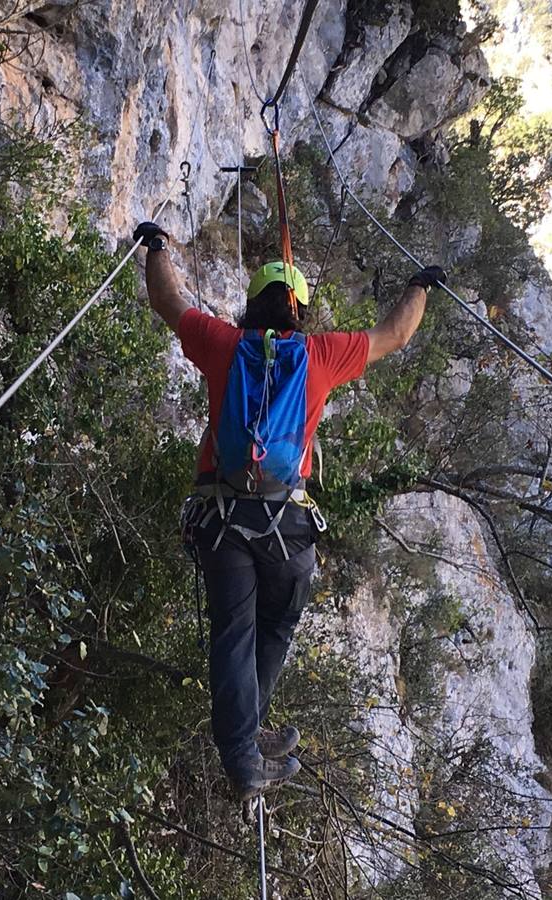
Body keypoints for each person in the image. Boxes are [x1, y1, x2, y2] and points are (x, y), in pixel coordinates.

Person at [133, 220, 446, 801]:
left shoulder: (223, 344)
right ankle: (246, 745)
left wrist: (156, 248)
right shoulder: (321, 354)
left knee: (234, 633)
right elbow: (395, 334)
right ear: (298, 310)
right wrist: (419, 286)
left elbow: (167, 300)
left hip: (222, 522)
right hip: (287, 530)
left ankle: (244, 744)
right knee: (276, 622)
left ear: (252, 304)